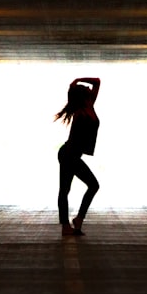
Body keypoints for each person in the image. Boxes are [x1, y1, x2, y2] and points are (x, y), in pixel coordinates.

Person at [54, 77, 101, 236]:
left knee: (91, 186)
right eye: (86, 89)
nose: (90, 88)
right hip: (68, 154)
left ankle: (77, 220)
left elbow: (97, 81)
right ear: (83, 95)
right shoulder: (80, 111)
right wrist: (75, 83)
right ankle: (67, 225)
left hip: (72, 154)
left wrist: (79, 79)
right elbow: (76, 87)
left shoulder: (90, 105)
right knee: (66, 189)